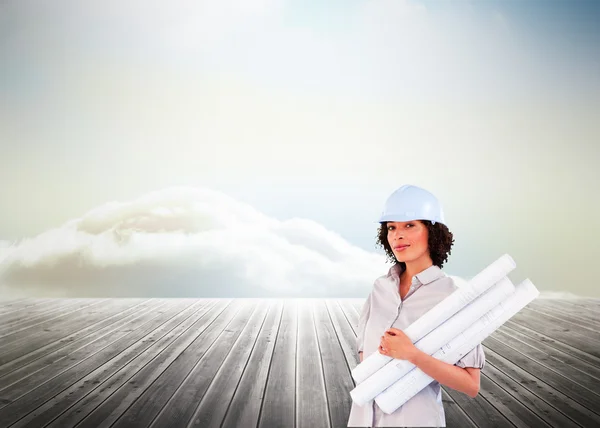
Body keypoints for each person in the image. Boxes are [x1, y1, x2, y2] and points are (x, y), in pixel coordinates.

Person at [347, 184, 485, 427]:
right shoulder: (379, 289)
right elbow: (364, 356)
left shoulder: (452, 299)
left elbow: (471, 384)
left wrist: (412, 354)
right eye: (391, 227)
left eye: (409, 225)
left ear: (432, 232)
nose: (397, 235)